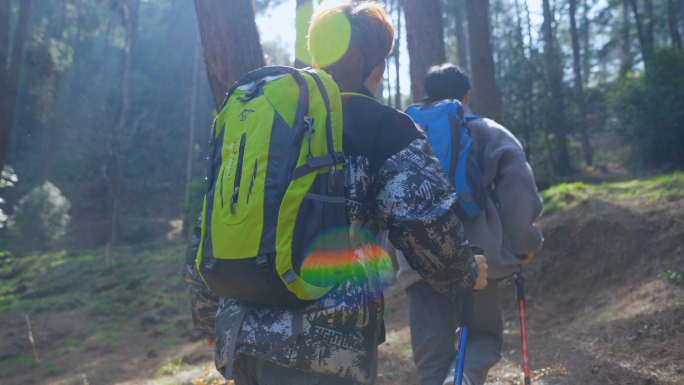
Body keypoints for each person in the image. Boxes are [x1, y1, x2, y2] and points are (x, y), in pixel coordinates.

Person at [183, 5, 487, 385]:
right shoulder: (383, 126)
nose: (381, 69)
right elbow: (425, 225)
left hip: (241, 342)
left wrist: (209, 316)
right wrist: (466, 271)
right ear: (366, 60)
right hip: (322, 352)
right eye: (381, 58)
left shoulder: (269, 119)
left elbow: (212, 223)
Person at [394, 64, 544, 385]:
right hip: (476, 259)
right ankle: (461, 381)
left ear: (426, 94)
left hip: (417, 263)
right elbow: (519, 196)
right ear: (466, 95)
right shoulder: (489, 132)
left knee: (432, 356)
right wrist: (523, 246)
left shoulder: (402, 132)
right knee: (482, 338)